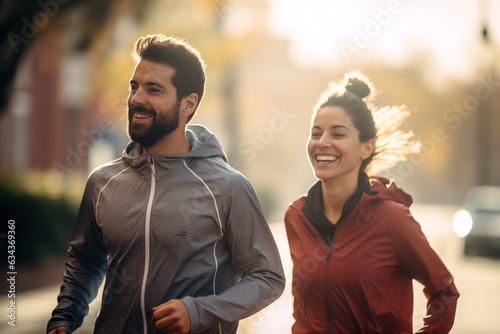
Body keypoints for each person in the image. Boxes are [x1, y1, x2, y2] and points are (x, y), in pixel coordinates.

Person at [47, 34, 285, 334]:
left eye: (153, 89)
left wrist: (200, 311)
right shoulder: (102, 182)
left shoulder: (227, 187)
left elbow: (268, 277)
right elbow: (85, 261)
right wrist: (64, 317)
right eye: (134, 87)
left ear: (188, 104)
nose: (136, 98)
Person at [284, 72, 459, 334]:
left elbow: (444, 292)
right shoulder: (296, 217)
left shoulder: (392, 220)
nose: (323, 143)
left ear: (366, 148)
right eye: (316, 133)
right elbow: (303, 312)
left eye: (338, 134)